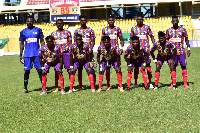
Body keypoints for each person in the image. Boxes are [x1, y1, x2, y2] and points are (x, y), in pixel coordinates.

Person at [19, 16, 45, 94]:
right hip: (27, 55)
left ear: (33, 22)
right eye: (28, 21)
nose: (29, 22)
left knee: (40, 70)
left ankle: (43, 87)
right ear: (26, 22)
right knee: (27, 71)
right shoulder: (23, 32)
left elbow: (42, 41)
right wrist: (20, 55)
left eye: (31, 21)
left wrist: (42, 51)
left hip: (37, 54)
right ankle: (25, 88)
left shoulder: (38, 30)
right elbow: (22, 44)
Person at [130, 12, 155, 89]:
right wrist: (131, 48)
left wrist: (154, 45)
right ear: (136, 20)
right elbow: (131, 39)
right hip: (137, 52)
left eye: (141, 19)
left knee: (148, 66)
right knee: (136, 67)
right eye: (138, 19)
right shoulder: (133, 29)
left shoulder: (147, 27)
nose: (140, 21)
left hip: (146, 51)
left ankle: (150, 82)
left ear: (143, 20)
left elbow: (151, 36)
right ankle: (136, 83)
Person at [166, 15, 191, 88]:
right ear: (172, 22)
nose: (175, 22)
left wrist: (188, 49)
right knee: (173, 67)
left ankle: (185, 83)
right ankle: (173, 83)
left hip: (181, 51)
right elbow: (166, 41)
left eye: (176, 21)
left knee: (183, 66)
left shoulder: (183, 30)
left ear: (178, 21)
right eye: (173, 21)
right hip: (172, 53)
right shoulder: (168, 31)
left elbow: (186, 39)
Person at [51, 19, 74, 92]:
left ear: (63, 24)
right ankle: (57, 87)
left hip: (66, 53)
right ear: (56, 24)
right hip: (57, 55)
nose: (60, 25)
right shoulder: (53, 34)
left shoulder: (68, 33)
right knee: (57, 70)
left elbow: (70, 43)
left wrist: (71, 52)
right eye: (58, 23)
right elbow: (52, 44)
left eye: (61, 23)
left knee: (69, 70)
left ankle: (71, 86)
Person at [74, 15, 96, 91]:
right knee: (79, 69)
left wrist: (89, 50)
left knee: (91, 69)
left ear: (86, 21)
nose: (83, 22)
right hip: (79, 54)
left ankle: (94, 85)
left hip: (89, 54)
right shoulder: (77, 31)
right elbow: (75, 43)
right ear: (80, 21)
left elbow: (93, 41)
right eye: (81, 20)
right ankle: (80, 86)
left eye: (84, 20)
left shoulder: (90, 30)